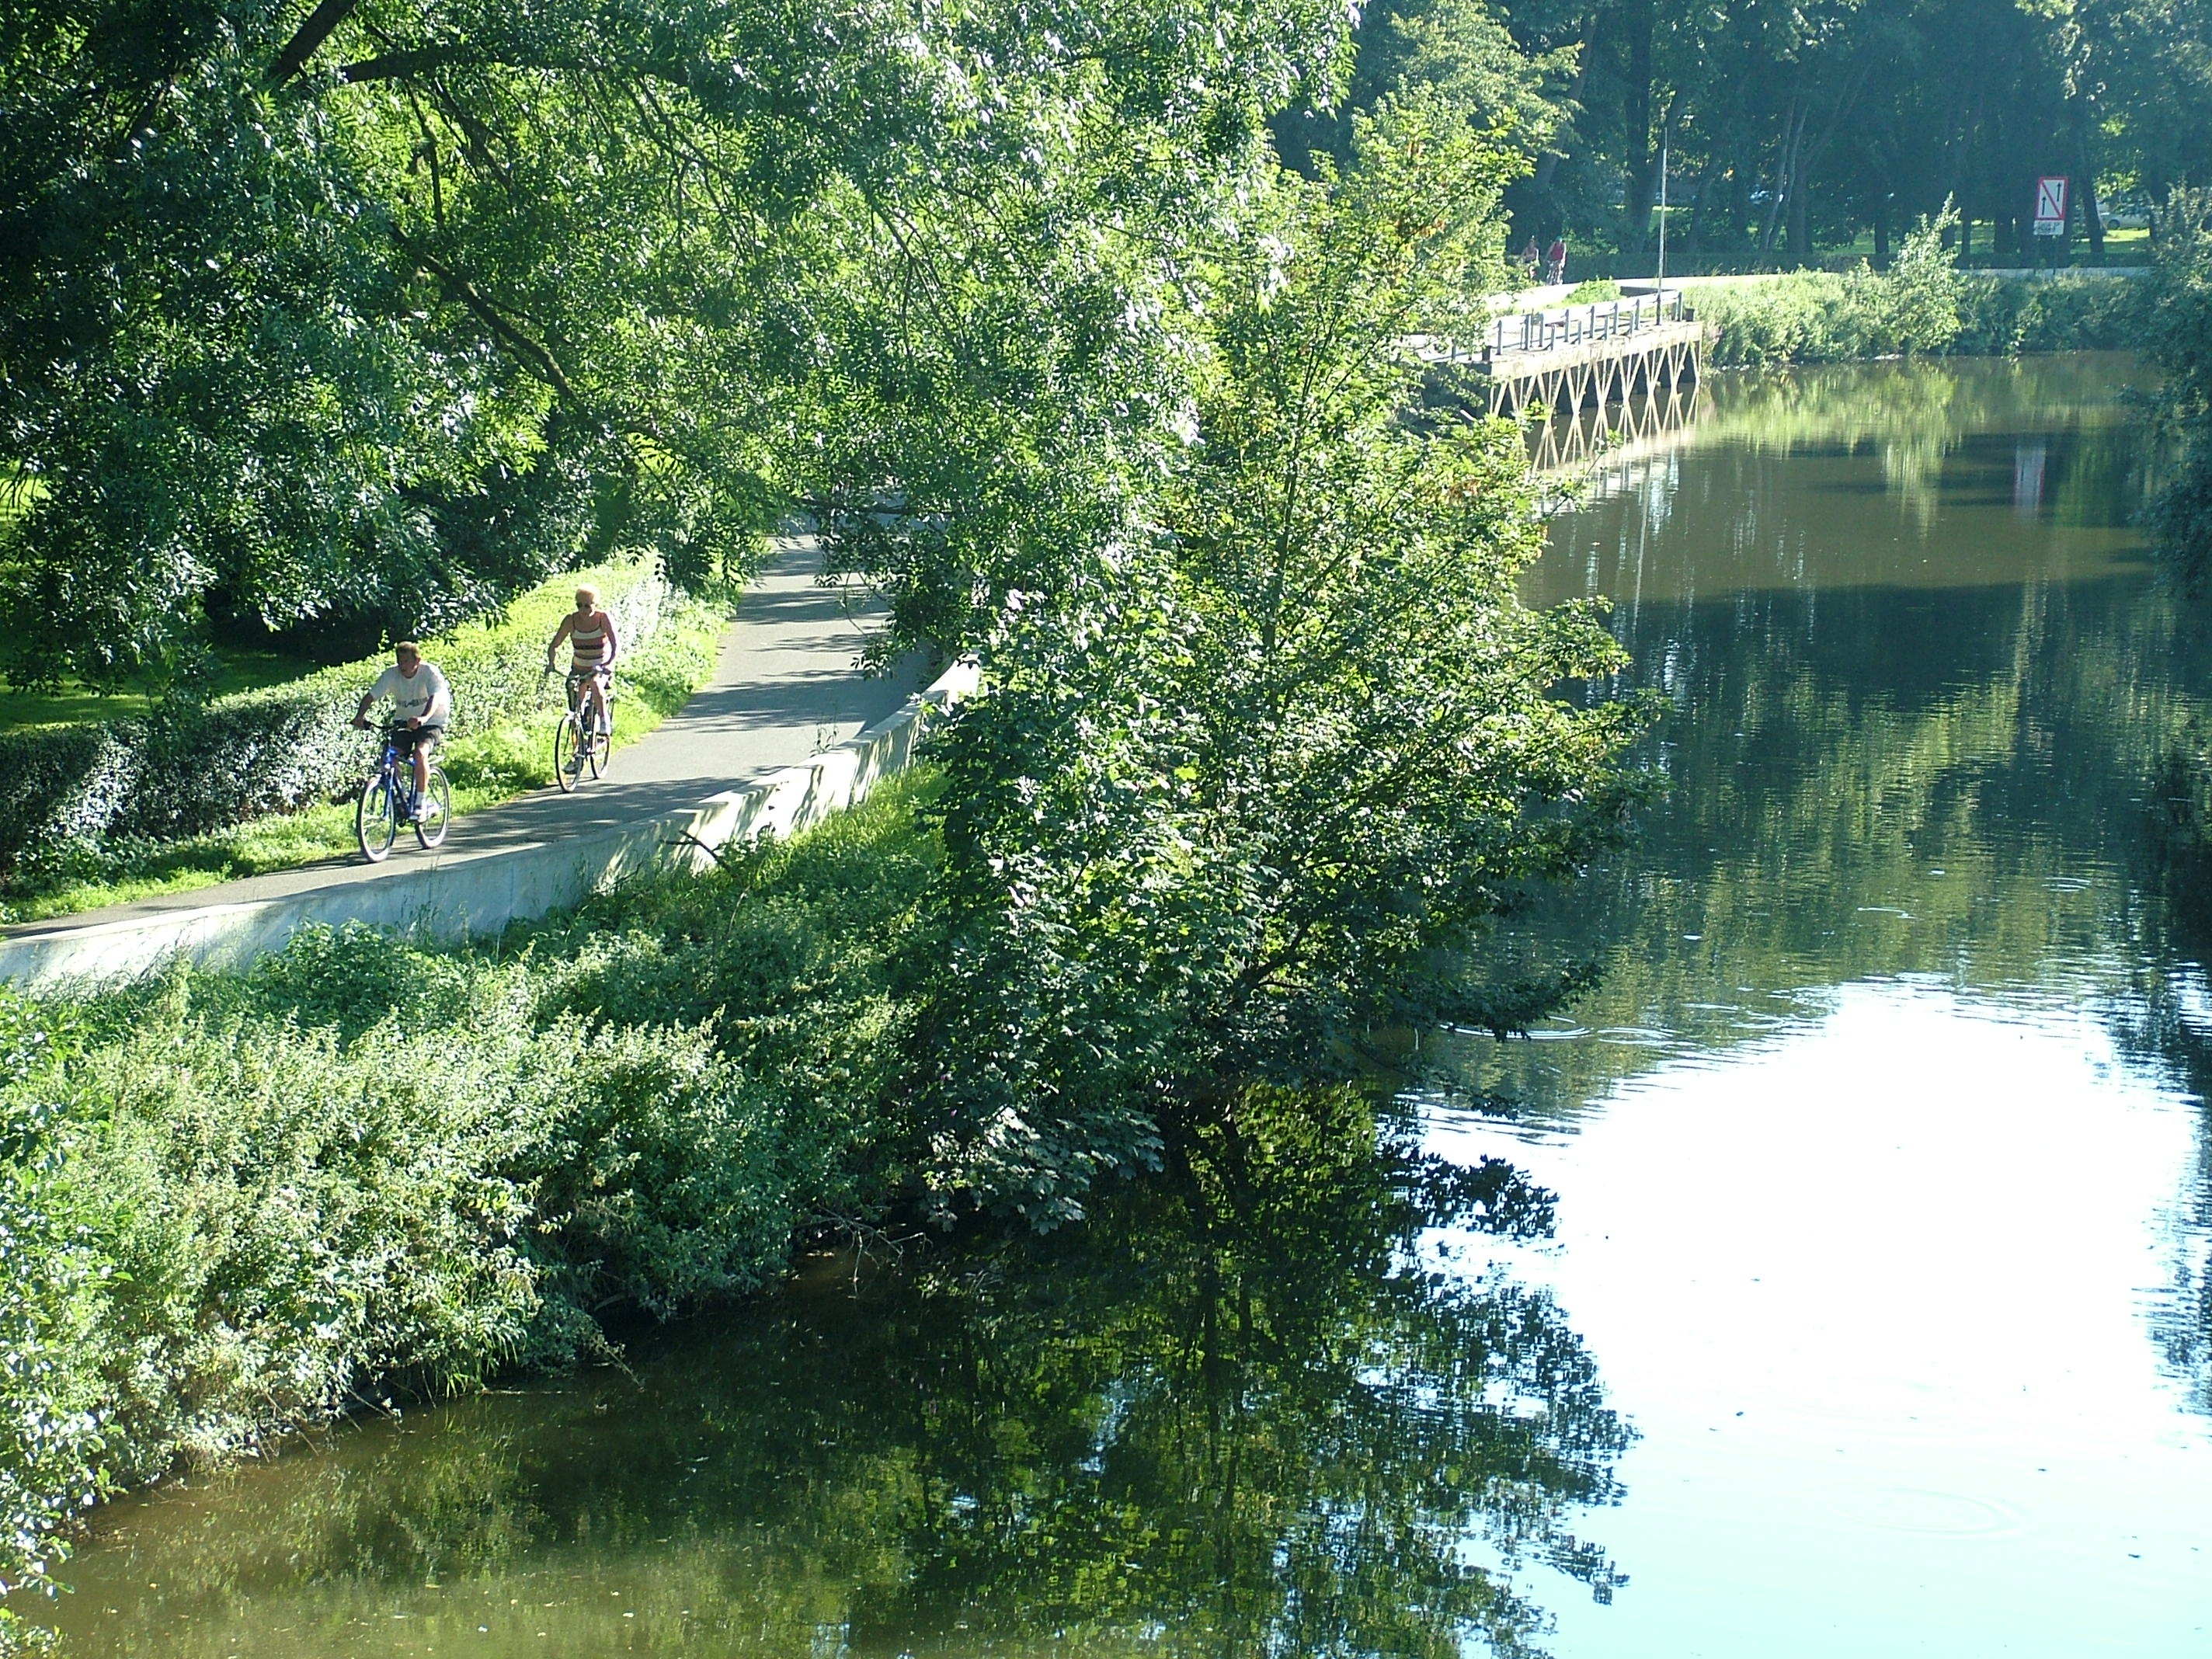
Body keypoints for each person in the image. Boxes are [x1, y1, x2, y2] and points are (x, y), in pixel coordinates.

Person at [353, 641, 450, 819]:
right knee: (390, 756)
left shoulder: (429, 673)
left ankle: (420, 803)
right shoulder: (391, 674)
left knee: (420, 754)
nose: (402, 666)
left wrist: (423, 718)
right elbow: (371, 696)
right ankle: (401, 798)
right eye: (399, 661)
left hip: (432, 720)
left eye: (406, 661)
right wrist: (360, 716)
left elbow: (435, 698)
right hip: (404, 722)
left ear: (417, 660)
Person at [545, 585, 619, 770]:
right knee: (575, 713)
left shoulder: (603, 618)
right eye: (580, 606)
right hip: (578, 669)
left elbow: (615, 645)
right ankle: (577, 753)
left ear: (595, 604)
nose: (584, 610)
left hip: (598, 667)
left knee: (595, 682)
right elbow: (554, 645)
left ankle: (604, 721)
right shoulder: (571, 621)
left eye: (588, 606)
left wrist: (608, 665)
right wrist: (551, 663)